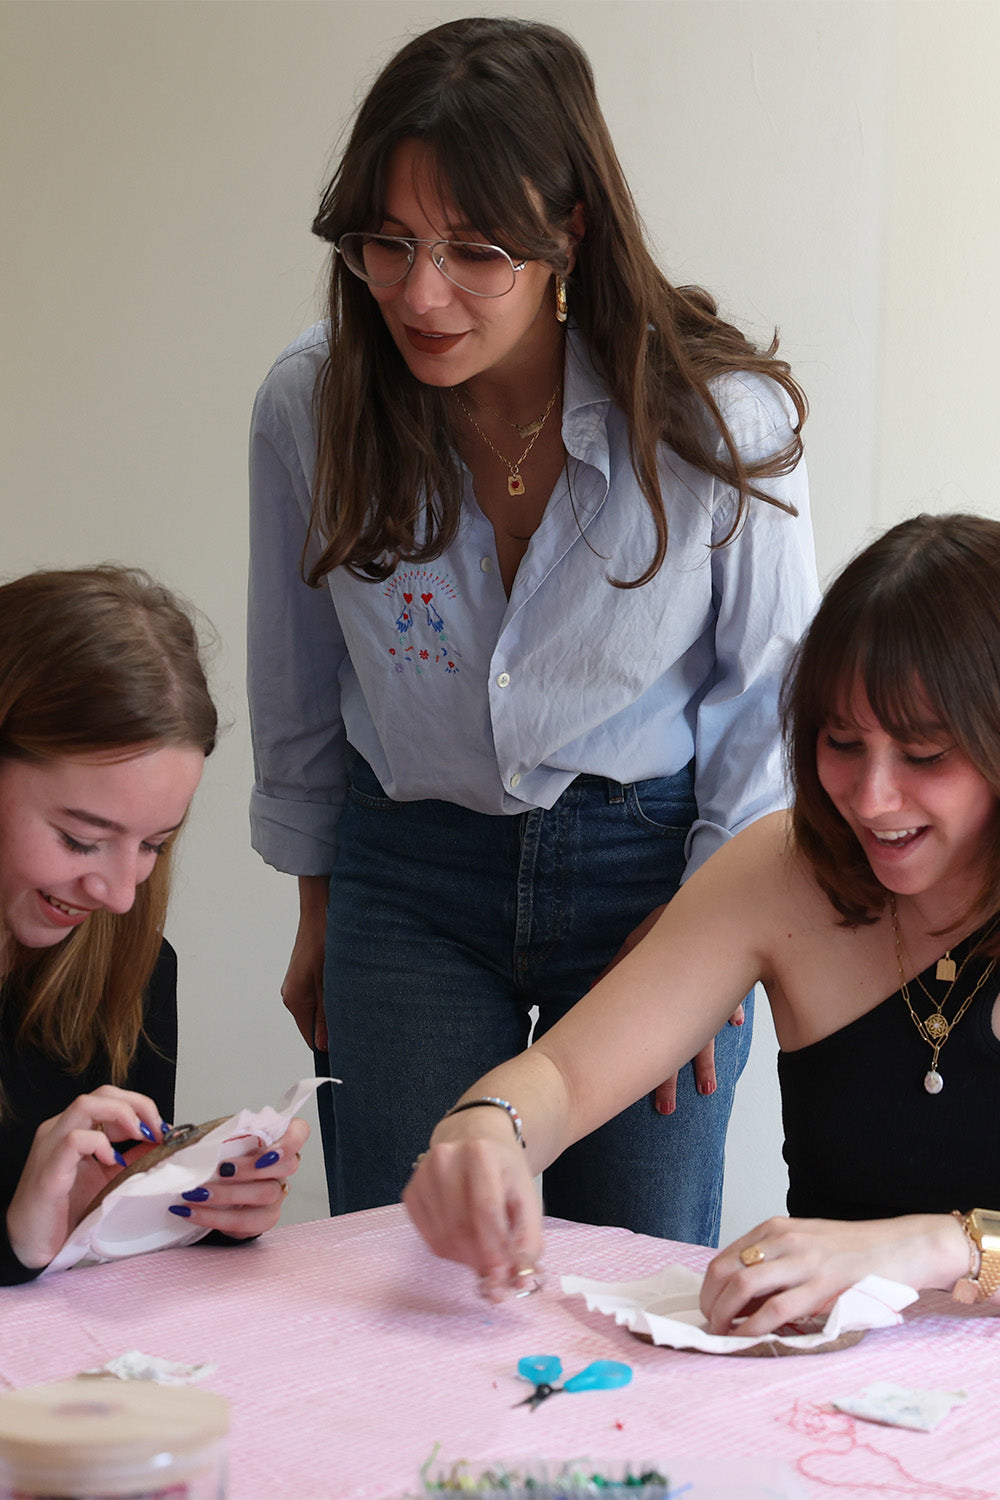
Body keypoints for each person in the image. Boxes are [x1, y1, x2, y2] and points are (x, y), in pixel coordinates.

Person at [248, 15, 817, 1241]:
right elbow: (295, 679)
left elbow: (763, 706)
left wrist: (707, 946)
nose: (420, 291)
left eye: (473, 248)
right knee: (408, 1277)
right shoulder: (311, 405)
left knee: (634, 1283)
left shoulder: (720, 421)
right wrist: (319, 906)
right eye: (385, 243)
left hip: (650, 882)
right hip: (406, 878)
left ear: (568, 230)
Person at [405, 512, 1000, 1331]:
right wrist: (487, 1134)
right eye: (841, 742)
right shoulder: (783, 870)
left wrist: (938, 1247)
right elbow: (565, 1078)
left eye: (925, 755)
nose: (872, 798)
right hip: (833, 1397)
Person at [1, 565, 309, 1285]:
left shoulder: (131, 965)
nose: (117, 896)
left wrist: (191, 1207)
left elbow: (86, 1267)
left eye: (153, 846)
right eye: (80, 839)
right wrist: (17, 1236)